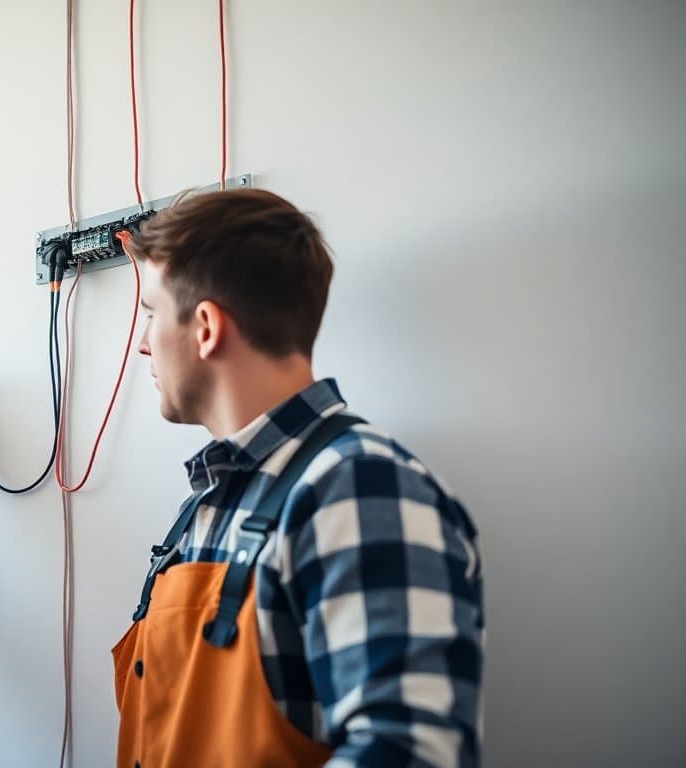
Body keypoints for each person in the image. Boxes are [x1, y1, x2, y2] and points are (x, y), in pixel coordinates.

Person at [114, 190, 483, 767]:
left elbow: (413, 752)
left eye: (152, 313)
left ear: (206, 327)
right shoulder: (211, 505)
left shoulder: (360, 489)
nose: (141, 342)